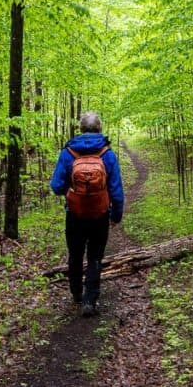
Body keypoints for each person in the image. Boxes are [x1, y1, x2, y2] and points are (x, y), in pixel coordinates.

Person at [49, 111, 124, 317]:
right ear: (99, 128)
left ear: (81, 129)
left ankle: (76, 293)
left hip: (74, 214)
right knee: (95, 256)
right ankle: (90, 300)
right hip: (99, 215)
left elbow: (56, 186)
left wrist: (71, 191)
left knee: (75, 254)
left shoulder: (69, 152)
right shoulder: (107, 154)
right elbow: (116, 190)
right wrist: (116, 216)